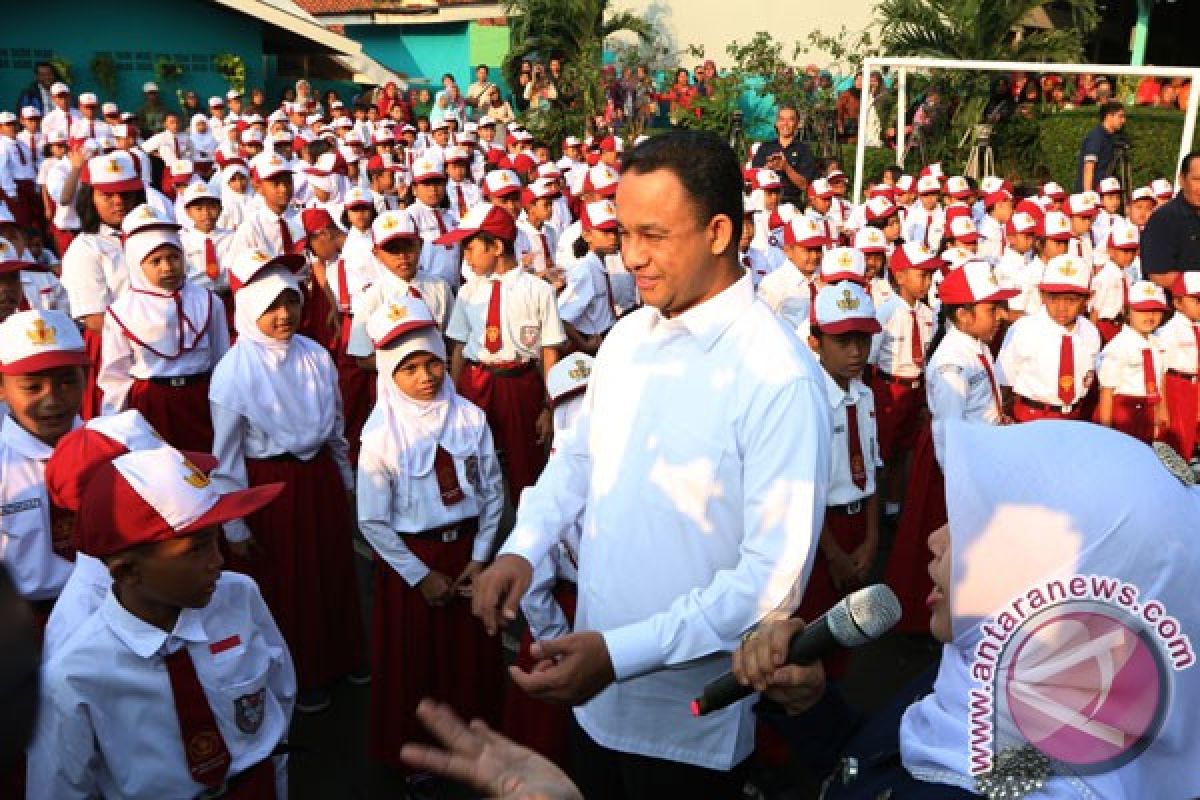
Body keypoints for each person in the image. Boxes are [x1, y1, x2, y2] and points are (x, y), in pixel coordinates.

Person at [406, 421, 1200, 800]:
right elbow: (879, 763)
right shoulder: (1027, 710)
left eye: (978, 522)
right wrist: (816, 708)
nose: (934, 539)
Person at [472, 132, 832, 799]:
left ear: (719, 231)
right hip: (593, 704)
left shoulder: (778, 377)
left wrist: (619, 655)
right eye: (623, 231)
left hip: (688, 734)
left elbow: (768, 582)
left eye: (653, 234)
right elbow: (579, 458)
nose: (630, 255)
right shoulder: (629, 338)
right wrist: (525, 546)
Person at [26, 444, 294, 800]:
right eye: (195, 549)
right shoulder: (73, 675)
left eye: (215, 539)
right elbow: (60, 786)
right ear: (128, 570)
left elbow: (279, 690)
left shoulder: (238, 596)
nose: (217, 560)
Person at [208, 256, 365, 713]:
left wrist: (345, 479)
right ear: (250, 311)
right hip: (271, 485)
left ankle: (344, 655)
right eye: (272, 307)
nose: (284, 317)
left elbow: (336, 425)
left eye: (291, 304)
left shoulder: (314, 355)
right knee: (291, 581)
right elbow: (227, 452)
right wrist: (235, 524)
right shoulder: (235, 370)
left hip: (317, 477)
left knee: (333, 568)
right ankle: (303, 672)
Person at [358, 294, 505, 770]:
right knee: (414, 666)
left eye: (433, 364)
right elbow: (373, 521)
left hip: (464, 555)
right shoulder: (380, 435)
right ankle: (417, 761)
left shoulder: (469, 417)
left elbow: (491, 492)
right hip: (413, 563)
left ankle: (479, 747)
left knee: (468, 663)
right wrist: (420, 576)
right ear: (389, 374)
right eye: (409, 369)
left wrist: (481, 557)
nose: (425, 378)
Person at [443, 202, 564, 504]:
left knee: (526, 464)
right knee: (473, 461)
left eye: (470, 249)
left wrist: (549, 407)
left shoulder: (539, 290)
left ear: (496, 246)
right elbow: (459, 347)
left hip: (520, 383)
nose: (465, 258)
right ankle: (480, 529)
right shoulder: (469, 292)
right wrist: (453, 397)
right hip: (477, 379)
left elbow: (549, 353)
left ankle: (526, 534)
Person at [799, 282, 882, 669]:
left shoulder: (864, 395)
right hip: (821, 531)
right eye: (843, 342)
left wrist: (871, 539)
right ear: (816, 341)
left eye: (863, 341)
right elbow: (805, 490)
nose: (856, 353)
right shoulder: (808, 399)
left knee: (849, 629)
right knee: (815, 631)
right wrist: (833, 553)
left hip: (856, 525)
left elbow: (871, 467)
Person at [98, 208, 229, 452]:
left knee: (205, 464)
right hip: (151, 400)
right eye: (155, 261)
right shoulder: (122, 311)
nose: (167, 267)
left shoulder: (209, 302)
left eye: (174, 257)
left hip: (199, 398)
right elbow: (115, 375)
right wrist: (113, 423)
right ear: (137, 265)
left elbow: (222, 358)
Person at [0, 309, 87, 623]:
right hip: (23, 620)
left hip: (103, 610)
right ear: (2, 388)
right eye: (32, 388)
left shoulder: (112, 451)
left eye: (67, 383)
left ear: (86, 379)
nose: (52, 401)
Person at [997, 253, 1102, 422]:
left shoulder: (1090, 332)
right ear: (1042, 295)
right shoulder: (1023, 329)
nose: (1062, 307)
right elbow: (1004, 382)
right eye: (1054, 298)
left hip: (1075, 415)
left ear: (1087, 299)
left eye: (1071, 300)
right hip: (1031, 415)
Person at [1094, 280, 1169, 444]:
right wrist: (1106, 428)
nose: (1150, 316)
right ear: (1127, 312)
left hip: (1148, 409)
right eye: (1142, 311)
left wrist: (1162, 411)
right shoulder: (1117, 347)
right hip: (1125, 411)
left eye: (1156, 311)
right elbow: (1107, 391)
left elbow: (1159, 379)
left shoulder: (1157, 344)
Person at [1157, 272, 1200, 463]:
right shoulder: (1168, 331)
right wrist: (1163, 405)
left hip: (1194, 386)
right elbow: (1161, 370)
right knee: (1176, 437)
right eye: (1197, 300)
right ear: (1178, 302)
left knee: (1190, 434)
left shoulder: (1197, 327)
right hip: (1177, 385)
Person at [1140, 152, 1200, 288]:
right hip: (1175, 306)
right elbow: (1158, 275)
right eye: (1197, 179)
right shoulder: (1163, 219)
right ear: (1182, 180)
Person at [751, 106, 816, 205]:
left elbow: (804, 185)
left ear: (797, 124)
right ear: (776, 123)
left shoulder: (804, 150)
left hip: (791, 202)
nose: (785, 124)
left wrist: (786, 167)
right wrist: (768, 167)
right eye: (782, 119)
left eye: (790, 119)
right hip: (765, 202)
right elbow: (753, 178)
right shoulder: (765, 147)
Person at [1075, 101, 1127, 193]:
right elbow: (1089, 167)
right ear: (1108, 116)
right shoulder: (1096, 137)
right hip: (1092, 194)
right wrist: (1088, 195)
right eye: (1120, 116)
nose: (1123, 120)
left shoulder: (1111, 137)